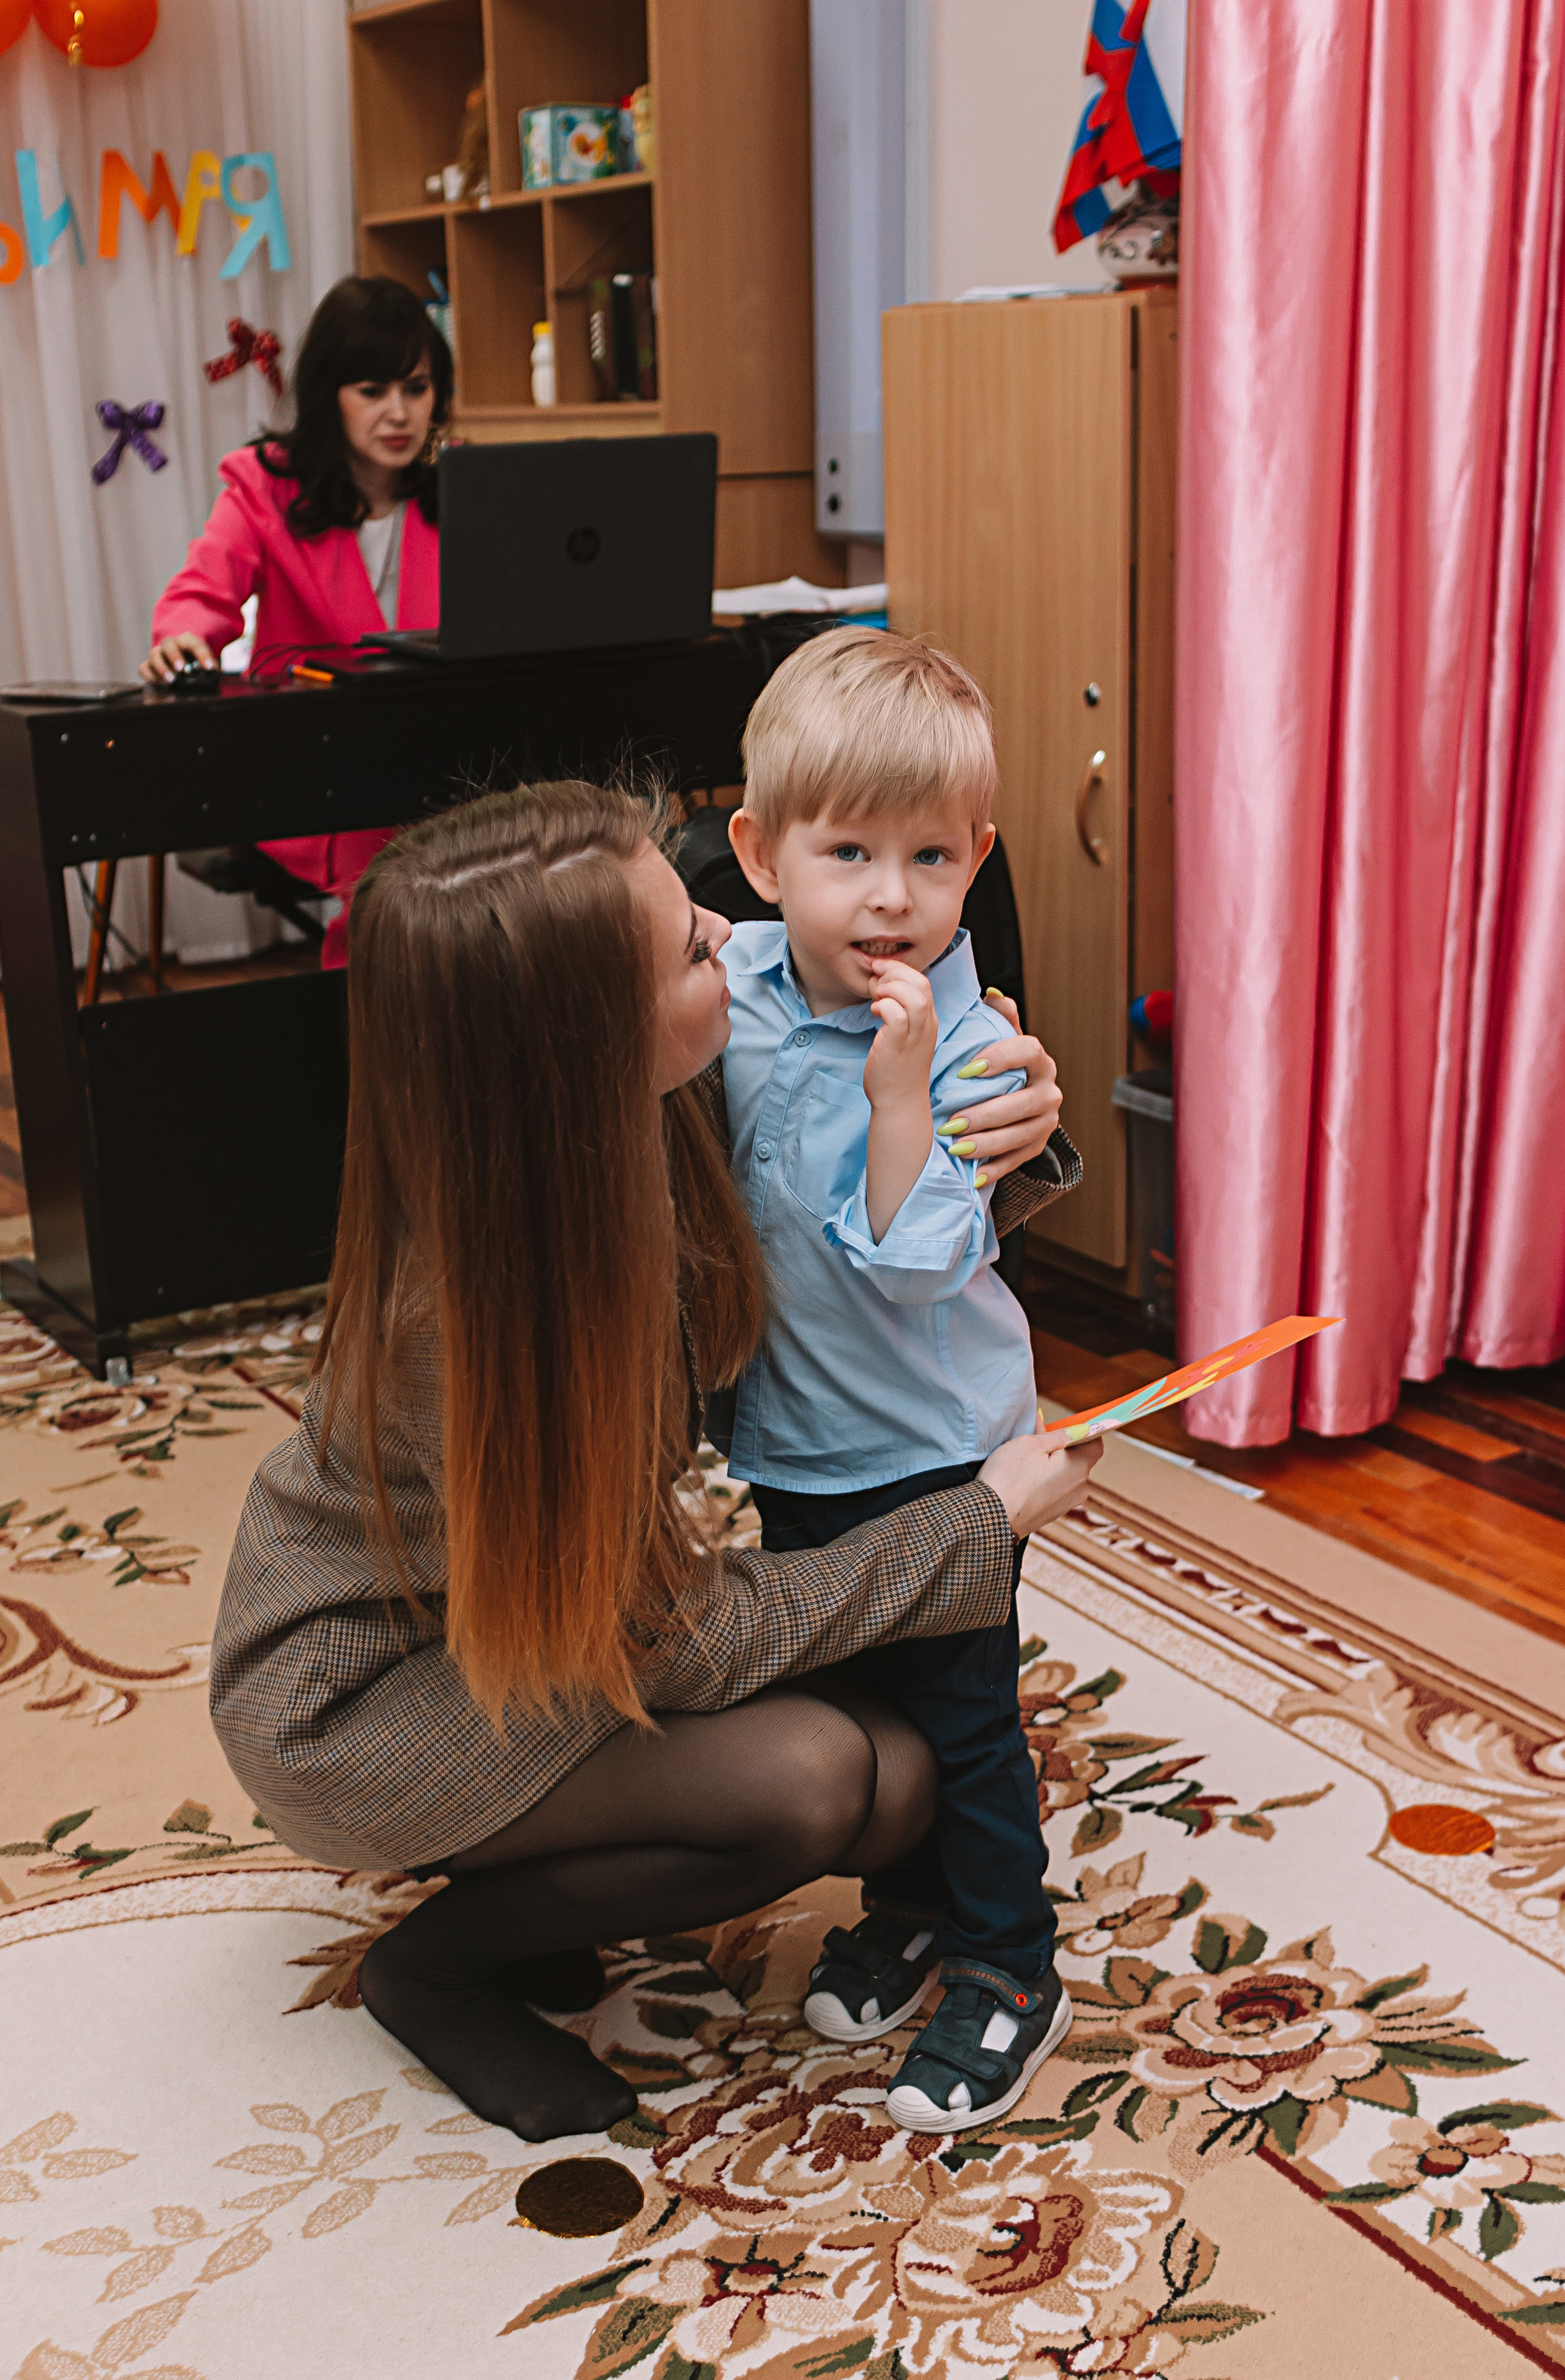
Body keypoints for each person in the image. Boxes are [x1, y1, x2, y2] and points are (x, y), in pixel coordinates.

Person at [208, 780, 1101, 2144]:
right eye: (689, 945)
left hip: (501, 1631)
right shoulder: (451, 1325)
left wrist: (995, 1135)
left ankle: (526, 1884)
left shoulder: (636, 1112)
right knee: (834, 1783)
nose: (727, 930)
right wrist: (966, 1529)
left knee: (905, 1760)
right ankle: (437, 1967)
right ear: (586, 1040)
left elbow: (823, 1221)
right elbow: (669, 1638)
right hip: (358, 1703)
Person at [719, 627, 1080, 2135]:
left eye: (928, 856)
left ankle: (1009, 1952)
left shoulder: (966, 1044)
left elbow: (917, 1260)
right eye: (845, 848)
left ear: (974, 858)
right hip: (793, 1436)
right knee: (859, 1702)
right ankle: (912, 1901)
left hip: (935, 1446)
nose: (887, 893)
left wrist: (894, 1090)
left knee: (963, 1712)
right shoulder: (724, 981)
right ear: (757, 855)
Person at [142, 275, 449, 964]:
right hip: (318, 766)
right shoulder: (264, 483)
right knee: (408, 869)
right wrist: (185, 639)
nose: (399, 413)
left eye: (416, 389)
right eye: (372, 392)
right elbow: (202, 590)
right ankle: (377, 1044)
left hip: (442, 755)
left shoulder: (466, 485)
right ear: (328, 396)